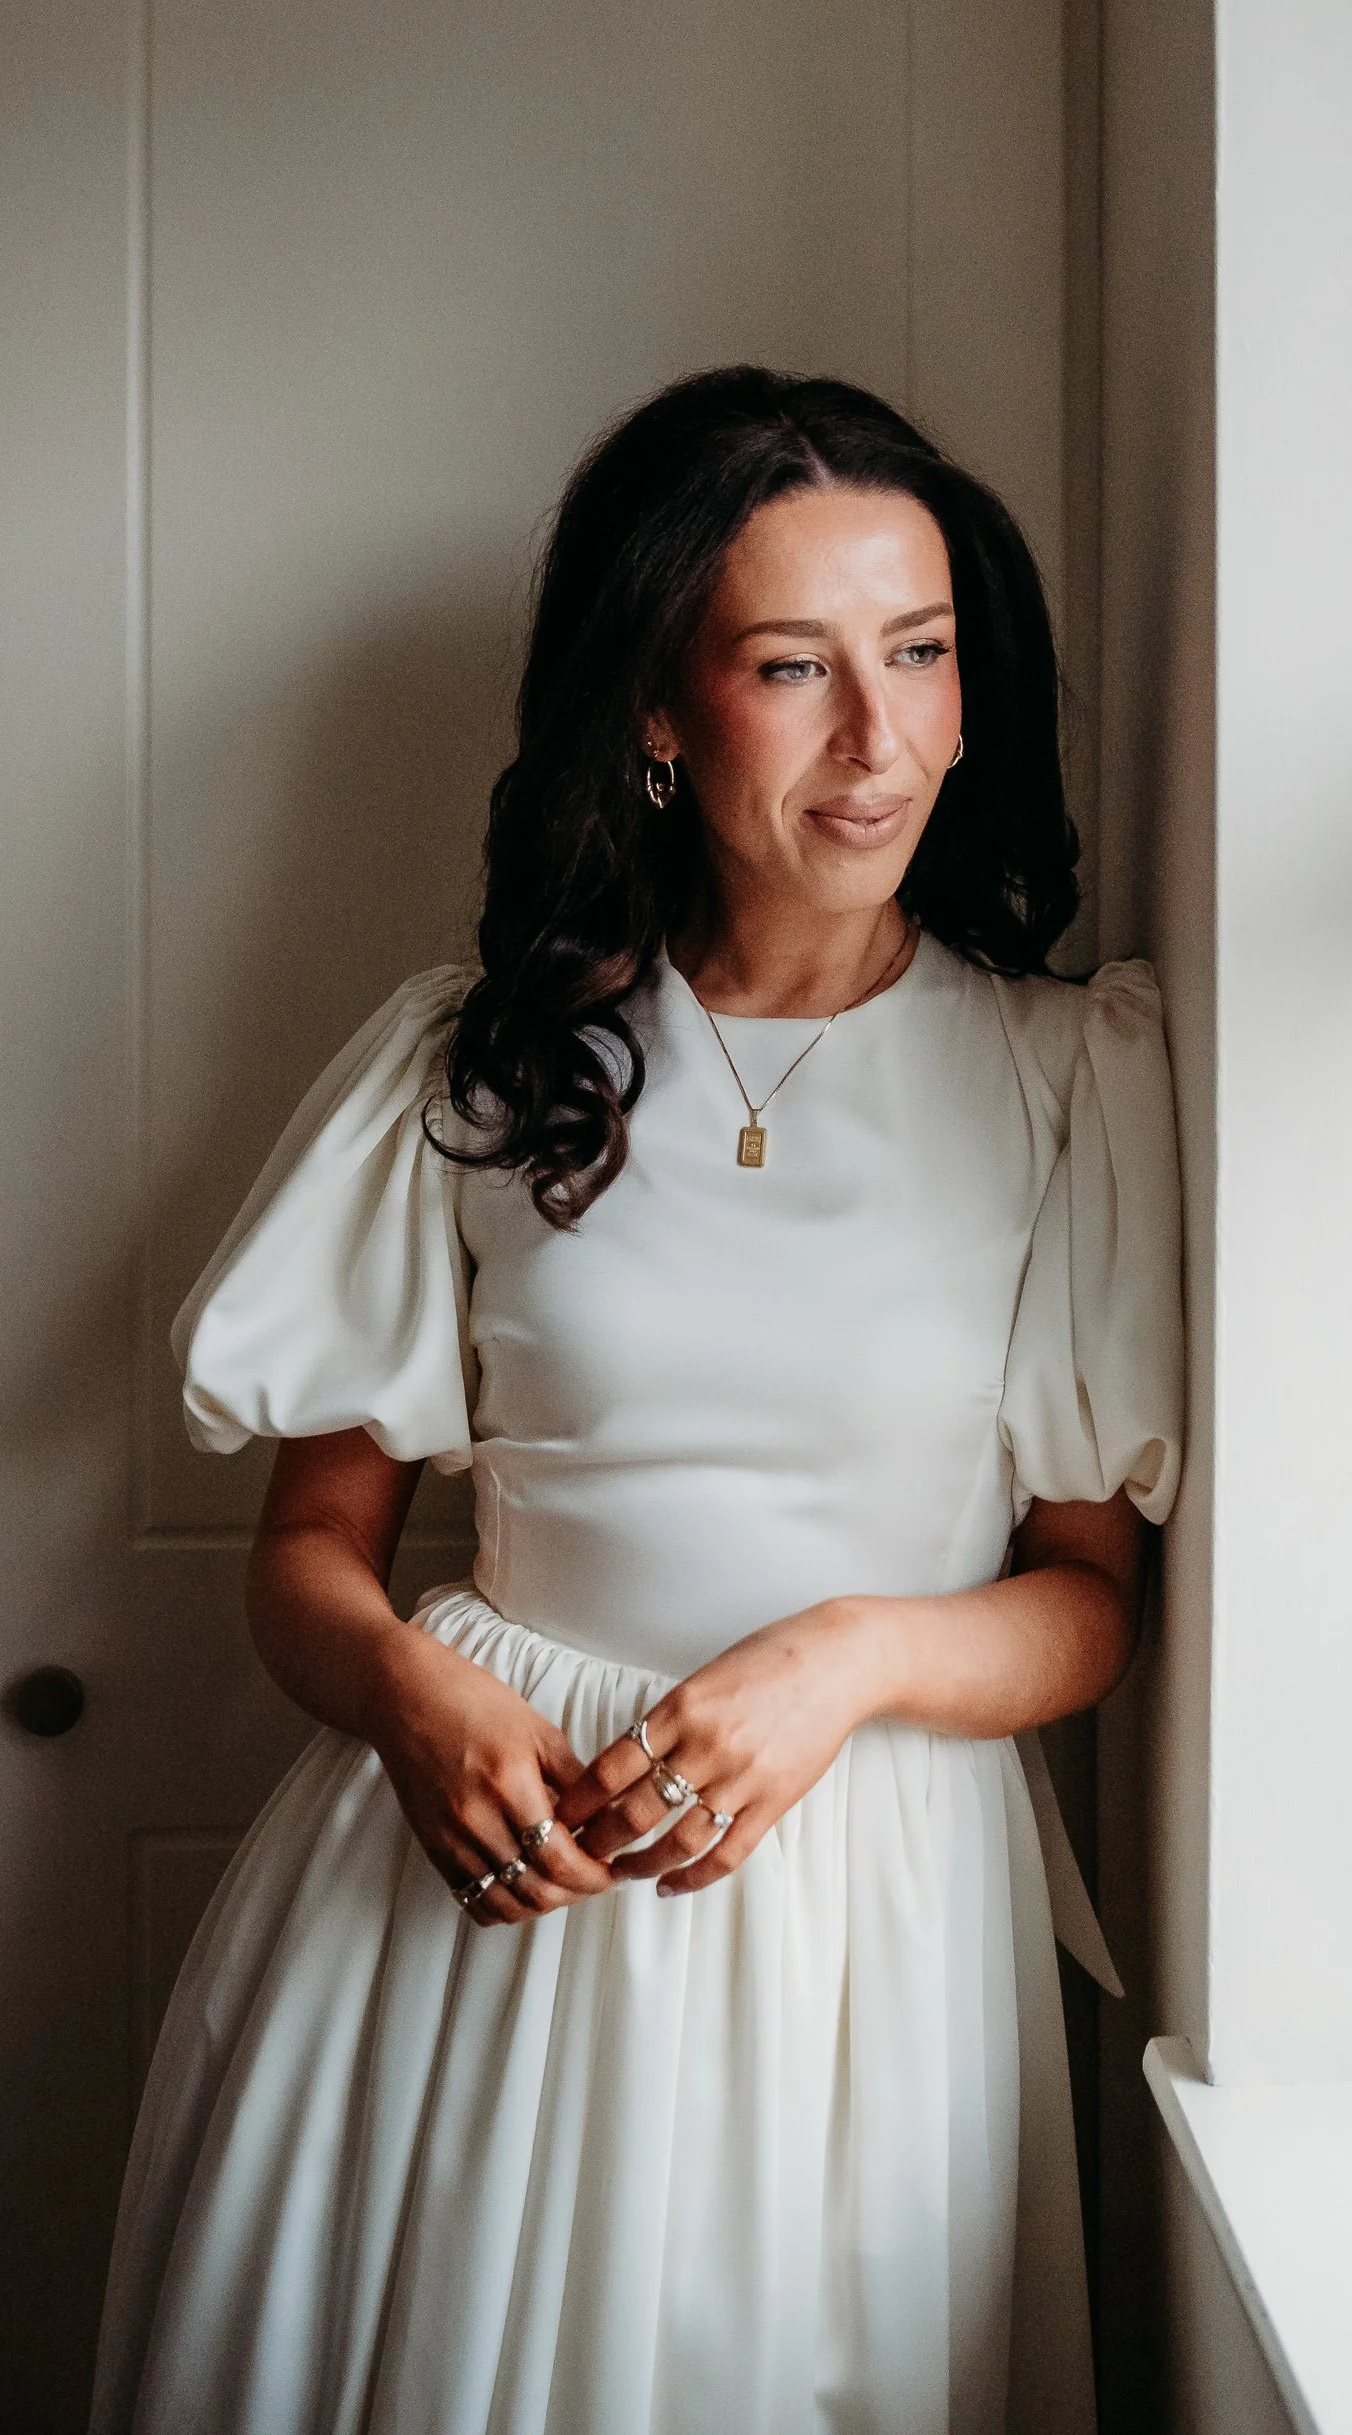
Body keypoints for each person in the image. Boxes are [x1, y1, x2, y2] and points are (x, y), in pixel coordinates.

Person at [89, 366, 1183, 2435]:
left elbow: (1090, 1601)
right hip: (470, 1903)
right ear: (662, 715)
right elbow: (310, 1554)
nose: (883, 740)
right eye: (796, 666)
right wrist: (412, 1689)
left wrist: (849, 1659)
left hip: (857, 1924)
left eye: (924, 655)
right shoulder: (485, 1063)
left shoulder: (1064, 1082)